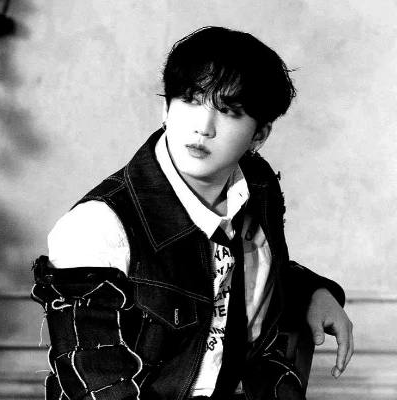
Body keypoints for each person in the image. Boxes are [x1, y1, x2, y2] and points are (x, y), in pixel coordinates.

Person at [31, 26, 353, 400]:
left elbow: (239, 274)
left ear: (259, 135)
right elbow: (97, 385)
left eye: (229, 111)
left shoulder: (256, 186)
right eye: (190, 100)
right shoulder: (97, 227)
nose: (203, 127)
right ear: (165, 110)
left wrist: (313, 291)